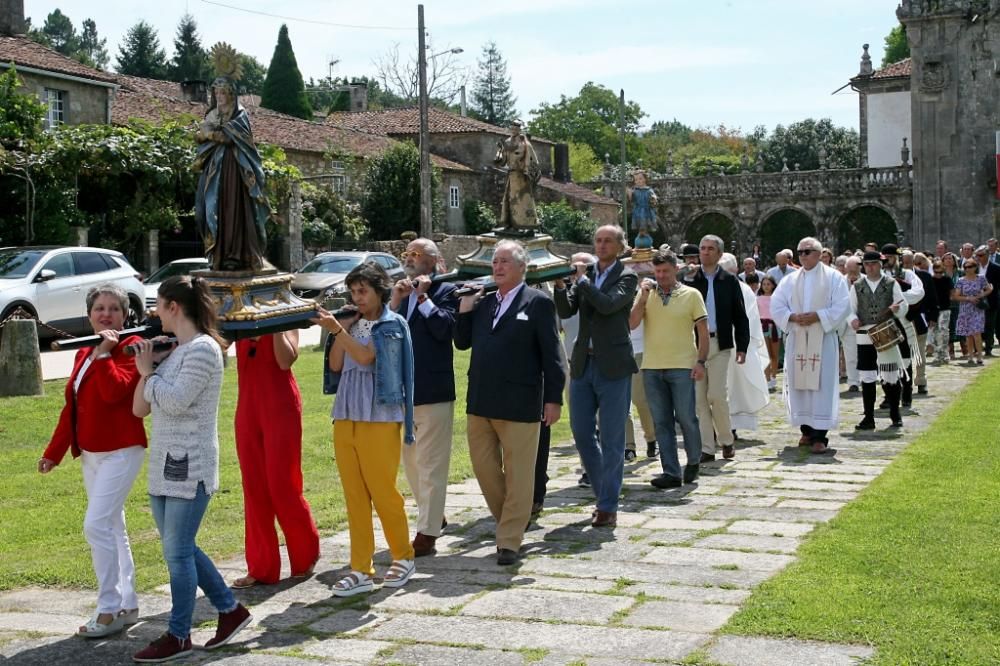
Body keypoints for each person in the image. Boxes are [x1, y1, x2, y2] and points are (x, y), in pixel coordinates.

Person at [131, 276, 250, 662]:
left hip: (190, 464)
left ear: (173, 307)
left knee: (177, 552)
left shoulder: (202, 350)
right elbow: (140, 409)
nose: (154, 313)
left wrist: (149, 374)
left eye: (158, 305)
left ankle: (179, 634)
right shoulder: (176, 351)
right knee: (179, 548)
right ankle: (230, 610)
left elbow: (178, 401)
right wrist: (147, 371)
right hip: (164, 463)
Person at [39, 284, 147, 639]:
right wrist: (54, 452)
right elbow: (72, 405)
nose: (106, 314)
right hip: (92, 453)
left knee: (95, 526)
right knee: (113, 528)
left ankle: (108, 608)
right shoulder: (83, 351)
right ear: (89, 315)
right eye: (99, 308)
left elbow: (115, 392)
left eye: (114, 309)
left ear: (125, 314)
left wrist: (105, 354)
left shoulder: (131, 349)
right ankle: (127, 603)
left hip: (122, 450)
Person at [454, 240, 564, 565]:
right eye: (495, 262)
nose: (497, 267)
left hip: (520, 402)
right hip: (481, 401)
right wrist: (464, 309)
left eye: (503, 261)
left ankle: (509, 541)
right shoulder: (483, 304)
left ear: (521, 268)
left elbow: (553, 356)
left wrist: (554, 399)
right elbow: (461, 343)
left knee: (519, 474)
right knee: (484, 469)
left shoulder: (539, 303)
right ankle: (513, 520)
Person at [314, 263, 416, 595]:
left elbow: (366, 357)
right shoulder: (350, 323)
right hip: (346, 415)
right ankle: (361, 567)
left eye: (363, 291)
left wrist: (337, 331)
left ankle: (403, 555)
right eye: (353, 291)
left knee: (383, 492)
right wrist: (342, 329)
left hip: (379, 418)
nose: (357, 298)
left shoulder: (391, 324)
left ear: (379, 291)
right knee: (355, 496)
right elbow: (337, 365)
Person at [554, 225, 638, 528]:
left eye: (607, 241)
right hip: (582, 364)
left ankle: (607, 505)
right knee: (581, 431)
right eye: (598, 241)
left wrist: (582, 281)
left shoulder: (627, 277)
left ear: (619, 246)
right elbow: (566, 310)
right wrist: (562, 286)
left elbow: (608, 305)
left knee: (613, 438)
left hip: (613, 366)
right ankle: (605, 492)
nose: (601, 246)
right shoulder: (586, 274)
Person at [230, 330, 319, 589]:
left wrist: (273, 327)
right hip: (248, 407)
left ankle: (304, 555)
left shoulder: (283, 320)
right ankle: (262, 567)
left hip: (280, 405)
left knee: (283, 483)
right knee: (254, 487)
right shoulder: (241, 318)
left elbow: (285, 360)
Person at [390, 238, 459, 558]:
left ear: (433, 261)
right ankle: (435, 515)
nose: (410, 259)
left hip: (433, 391)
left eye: (417, 254)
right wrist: (395, 300)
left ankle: (427, 532)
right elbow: (383, 334)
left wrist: (423, 297)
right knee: (413, 465)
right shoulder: (400, 294)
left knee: (432, 464)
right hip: (402, 393)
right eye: (407, 254)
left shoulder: (446, 290)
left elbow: (446, 330)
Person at [629, 249, 707, 487]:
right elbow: (632, 324)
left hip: (682, 365)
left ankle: (693, 460)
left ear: (676, 270)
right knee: (661, 421)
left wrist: (701, 361)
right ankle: (671, 472)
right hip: (652, 367)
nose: (661, 275)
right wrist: (642, 297)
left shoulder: (691, 294)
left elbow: (703, 331)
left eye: (666, 271)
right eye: (658, 271)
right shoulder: (647, 295)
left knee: (686, 417)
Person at [771, 237, 851, 453]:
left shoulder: (834, 277)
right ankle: (806, 430)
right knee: (800, 384)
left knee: (821, 384)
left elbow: (843, 305)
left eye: (807, 251)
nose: (803, 255)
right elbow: (776, 304)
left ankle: (820, 436)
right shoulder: (790, 280)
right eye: (800, 252)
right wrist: (792, 317)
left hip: (821, 338)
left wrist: (819, 316)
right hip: (798, 337)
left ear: (818, 253)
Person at [194, 73, 270, 272]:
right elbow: (199, 136)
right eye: (216, 92)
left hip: (234, 169)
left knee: (232, 210)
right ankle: (217, 254)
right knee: (206, 209)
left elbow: (232, 139)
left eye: (223, 92)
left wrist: (210, 134)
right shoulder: (212, 114)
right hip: (213, 170)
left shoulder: (240, 114)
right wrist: (209, 134)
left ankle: (234, 255)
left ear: (231, 94)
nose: (219, 96)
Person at [690, 235, 750, 462]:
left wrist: (742, 346)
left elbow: (739, 315)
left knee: (716, 395)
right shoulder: (691, 280)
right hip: (694, 344)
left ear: (719, 253)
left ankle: (726, 439)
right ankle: (707, 447)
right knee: (699, 398)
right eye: (702, 248)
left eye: (710, 249)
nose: (704, 252)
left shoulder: (729, 280)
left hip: (720, 343)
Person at [849, 252, 909, 430]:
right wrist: (852, 319)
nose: (870, 267)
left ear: (880, 264)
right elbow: (850, 309)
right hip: (864, 333)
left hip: (886, 332)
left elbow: (903, 305)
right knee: (867, 375)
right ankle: (868, 417)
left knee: (890, 374)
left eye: (873, 264)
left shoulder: (891, 283)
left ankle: (895, 414)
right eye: (867, 264)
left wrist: (897, 309)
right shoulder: (857, 286)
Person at [720, 253, 770, 433]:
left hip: (736, 343)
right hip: (716, 344)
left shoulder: (743, 289)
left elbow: (749, 317)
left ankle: (732, 426)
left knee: (736, 385)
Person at [495, 120, 541, 231]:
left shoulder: (524, 144)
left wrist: (530, 171)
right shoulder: (507, 142)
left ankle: (526, 224)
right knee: (510, 200)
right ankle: (510, 223)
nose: (514, 130)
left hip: (522, 176)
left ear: (519, 129)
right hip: (511, 175)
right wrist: (500, 153)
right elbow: (503, 160)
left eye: (516, 128)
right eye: (512, 128)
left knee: (523, 201)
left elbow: (533, 160)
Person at [953, 258, 992, 366]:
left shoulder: (981, 278)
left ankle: (979, 355)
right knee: (968, 335)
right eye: (965, 267)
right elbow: (956, 296)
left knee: (977, 333)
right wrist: (968, 298)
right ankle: (970, 355)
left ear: (975, 267)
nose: (967, 269)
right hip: (965, 309)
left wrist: (981, 295)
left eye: (970, 267)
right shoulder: (961, 280)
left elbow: (988, 289)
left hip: (977, 309)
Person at [909, 253, 937, 395]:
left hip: (919, 318)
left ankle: (921, 381)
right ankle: (904, 383)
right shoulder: (893, 277)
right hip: (899, 320)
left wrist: (933, 316)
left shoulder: (924, 276)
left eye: (909, 262)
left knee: (920, 352)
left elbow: (932, 297)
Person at [840, 256, 862, 392]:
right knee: (850, 355)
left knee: (865, 354)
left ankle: (866, 378)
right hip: (846, 325)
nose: (853, 274)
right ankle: (853, 381)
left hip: (864, 323)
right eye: (851, 271)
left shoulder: (866, 280)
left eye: (856, 271)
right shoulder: (840, 282)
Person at [973, 245, 1000, 357]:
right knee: (976, 325)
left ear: (987, 255)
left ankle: (988, 348)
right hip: (976, 300)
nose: (979, 257)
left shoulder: (996, 268)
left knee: (989, 325)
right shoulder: (974, 267)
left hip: (991, 300)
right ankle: (977, 348)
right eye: (977, 255)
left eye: (981, 255)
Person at [757, 275, 780, 391]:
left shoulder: (777, 298)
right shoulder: (758, 298)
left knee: (774, 354)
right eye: (764, 284)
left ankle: (774, 376)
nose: (766, 287)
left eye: (768, 284)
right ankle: (766, 378)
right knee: (765, 354)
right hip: (763, 327)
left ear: (773, 285)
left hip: (775, 327)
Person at [930, 259, 953, 364]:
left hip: (945, 308)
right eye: (936, 272)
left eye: (940, 272)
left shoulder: (947, 279)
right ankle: (937, 354)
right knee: (934, 332)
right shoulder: (930, 280)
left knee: (943, 331)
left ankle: (945, 353)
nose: (938, 274)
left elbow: (951, 292)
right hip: (933, 309)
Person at [628, 170, 658, 241]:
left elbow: (654, 198)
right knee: (639, 224)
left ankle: (645, 234)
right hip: (638, 210)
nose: (638, 181)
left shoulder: (649, 190)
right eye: (636, 180)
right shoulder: (635, 190)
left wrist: (654, 198)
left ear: (645, 179)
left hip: (646, 210)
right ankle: (641, 234)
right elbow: (631, 201)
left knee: (646, 223)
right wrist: (629, 194)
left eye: (640, 179)